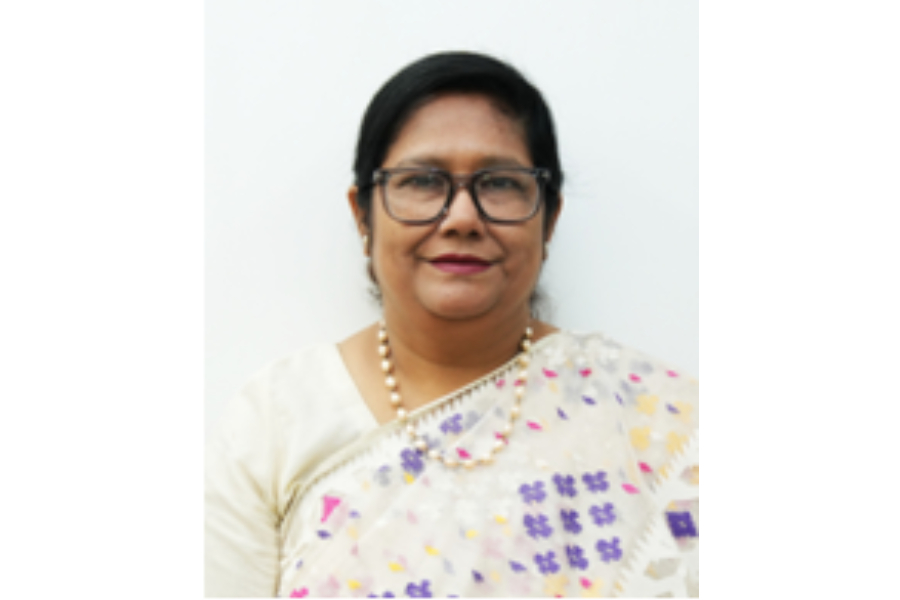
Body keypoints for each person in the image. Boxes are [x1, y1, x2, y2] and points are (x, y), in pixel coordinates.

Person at [205, 51, 699, 598]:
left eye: (501, 183)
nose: (462, 218)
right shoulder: (277, 419)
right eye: (422, 181)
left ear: (549, 217)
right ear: (363, 214)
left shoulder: (661, 421)